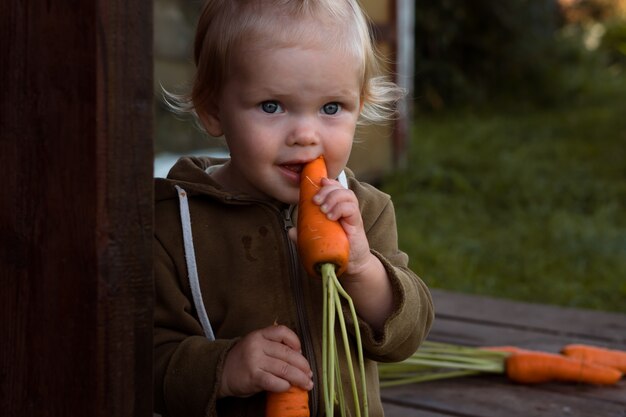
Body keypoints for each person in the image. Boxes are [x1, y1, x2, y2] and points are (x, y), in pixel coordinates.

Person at [153, 1, 434, 416]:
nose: (305, 135)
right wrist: (224, 367)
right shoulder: (175, 221)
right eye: (272, 106)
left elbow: (406, 336)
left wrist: (363, 269)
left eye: (331, 108)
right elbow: (146, 361)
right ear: (213, 110)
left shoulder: (365, 211)